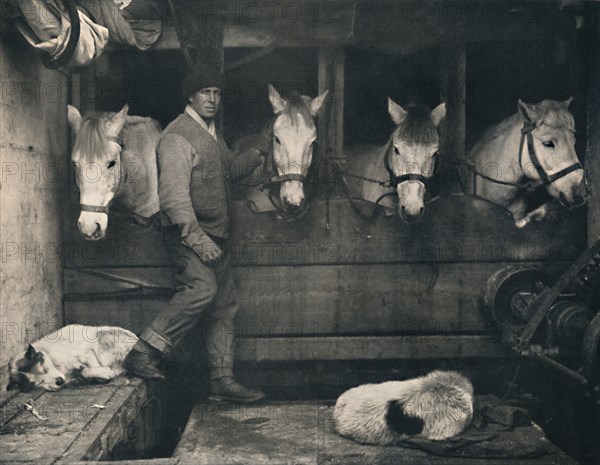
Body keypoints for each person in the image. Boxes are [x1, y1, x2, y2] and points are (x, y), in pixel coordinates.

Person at [124, 65, 266, 402]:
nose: (212, 99)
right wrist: (198, 239)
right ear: (190, 95)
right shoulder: (176, 136)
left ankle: (221, 380)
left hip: (216, 234)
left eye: (217, 93)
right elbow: (173, 198)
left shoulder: (210, 132)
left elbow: (230, 169)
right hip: (189, 234)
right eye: (206, 93)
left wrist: (259, 150)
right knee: (202, 289)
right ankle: (142, 351)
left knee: (224, 304)